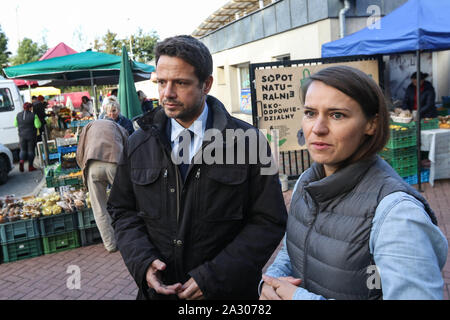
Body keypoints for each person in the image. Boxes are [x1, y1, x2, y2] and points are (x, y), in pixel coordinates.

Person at [107, 35, 287, 300]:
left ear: (207, 84)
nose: (167, 93)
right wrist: (143, 263)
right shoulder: (137, 142)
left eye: (180, 83)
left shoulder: (248, 142)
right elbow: (122, 210)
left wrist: (215, 277)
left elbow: (269, 220)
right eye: (161, 82)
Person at [260, 66, 448, 300]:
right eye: (310, 113)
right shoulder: (306, 183)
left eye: (337, 115)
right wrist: (271, 283)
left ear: (372, 124)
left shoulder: (397, 214)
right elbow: (293, 249)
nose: (317, 128)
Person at [76, 119, 129, 253]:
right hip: (114, 163)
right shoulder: (118, 127)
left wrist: (83, 170)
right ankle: (130, 240)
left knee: (99, 207)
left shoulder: (88, 126)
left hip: (93, 166)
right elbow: (128, 148)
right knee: (126, 203)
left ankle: (110, 245)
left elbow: (80, 152)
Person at [14, 102, 42, 172]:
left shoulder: (18, 115)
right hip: (31, 135)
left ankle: (21, 161)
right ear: (30, 108)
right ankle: (30, 166)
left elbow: (15, 124)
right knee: (31, 151)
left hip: (22, 135)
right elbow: (37, 125)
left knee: (23, 150)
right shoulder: (33, 115)